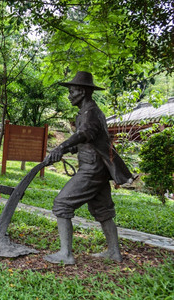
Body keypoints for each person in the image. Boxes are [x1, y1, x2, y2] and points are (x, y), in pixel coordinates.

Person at [44, 71, 134, 265]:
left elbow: (84, 134)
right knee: (103, 209)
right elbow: (89, 140)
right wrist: (66, 150)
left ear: (83, 92)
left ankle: (66, 254)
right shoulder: (88, 111)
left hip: (92, 168)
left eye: (72, 91)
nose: (69, 96)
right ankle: (114, 252)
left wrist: (62, 146)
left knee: (62, 203)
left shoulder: (90, 112)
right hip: (97, 167)